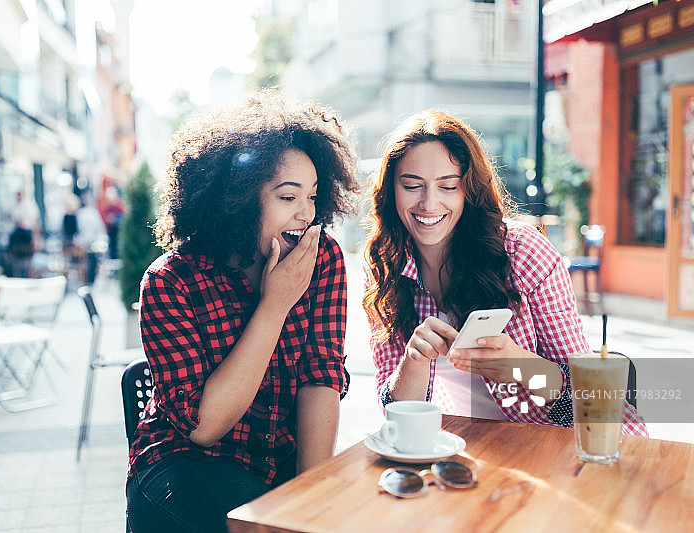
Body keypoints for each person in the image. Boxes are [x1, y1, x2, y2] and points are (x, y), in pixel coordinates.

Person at [126, 90, 359, 533]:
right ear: (237, 198)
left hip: (277, 464)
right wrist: (275, 305)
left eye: (312, 197)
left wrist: (313, 498)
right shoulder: (171, 281)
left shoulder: (320, 257)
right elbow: (204, 427)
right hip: (184, 467)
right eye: (288, 197)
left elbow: (321, 376)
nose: (306, 214)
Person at [362, 109, 646, 436]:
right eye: (412, 185)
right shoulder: (385, 266)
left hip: (567, 443)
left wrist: (520, 367)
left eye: (448, 186)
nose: (429, 203)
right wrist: (412, 360)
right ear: (391, 190)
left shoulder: (522, 252)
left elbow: (590, 397)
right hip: (471, 449)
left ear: (468, 190)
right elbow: (395, 415)